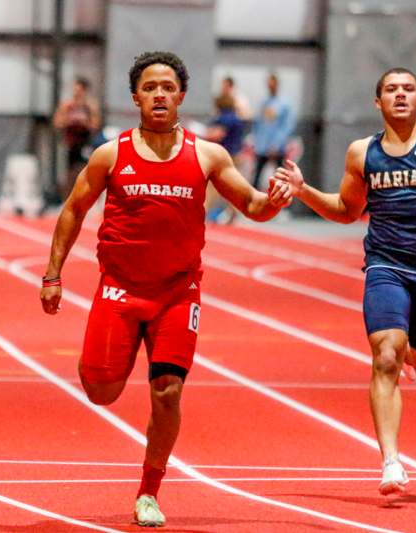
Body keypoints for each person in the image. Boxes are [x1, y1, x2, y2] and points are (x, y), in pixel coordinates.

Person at [39, 51, 291, 527]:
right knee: (100, 390)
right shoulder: (111, 154)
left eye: (168, 87)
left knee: (168, 390)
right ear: (135, 97)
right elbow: (73, 209)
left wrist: (274, 200)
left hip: (177, 293)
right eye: (150, 87)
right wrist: (53, 274)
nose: (159, 94)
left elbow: (253, 205)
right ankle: (114, 352)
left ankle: (149, 491)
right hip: (119, 288)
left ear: (181, 96)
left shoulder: (208, 155)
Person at [274, 67, 416, 495]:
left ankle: (415, 354)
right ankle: (391, 462)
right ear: (378, 103)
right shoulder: (362, 153)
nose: (400, 95)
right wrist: (304, 191)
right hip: (385, 265)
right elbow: (345, 210)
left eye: (409, 89)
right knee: (384, 355)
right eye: (391, 90)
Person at [53, 76, 102, 199]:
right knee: (70, 173)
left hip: (86, 143)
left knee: (84, 170)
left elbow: (96, 125)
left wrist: (84, 123)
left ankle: (86, 198)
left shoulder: (90, 106)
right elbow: (57, 122)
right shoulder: (67, 106)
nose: (76, 94)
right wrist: (70, 121)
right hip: (71, 143)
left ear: (84, 92)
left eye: (79, 92)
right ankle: (67, 199)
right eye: (75, 91)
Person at [204, 94, 245, 223]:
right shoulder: (237, 118)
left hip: (224, 156)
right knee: (232, 187)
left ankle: (203, 211)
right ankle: (234, 211)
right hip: (236, 155)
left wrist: (203, 134)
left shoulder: (223, 118)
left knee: (212, 185)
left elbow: (216, 135)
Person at [251, 72, 295, 189]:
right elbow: (258, 123)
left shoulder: (284, 104)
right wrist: (256, 141)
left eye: (272, 83)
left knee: (281, 177)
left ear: (277, 84)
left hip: (277, 148)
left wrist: (276, 144)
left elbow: (287, 126)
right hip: (262, 146)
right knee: (256, 178)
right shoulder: (263, 102)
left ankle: (282, 202)